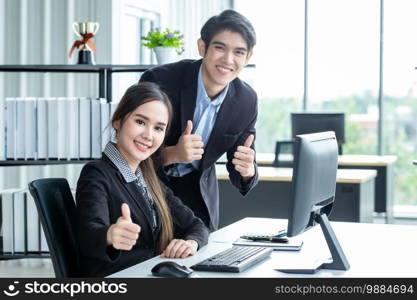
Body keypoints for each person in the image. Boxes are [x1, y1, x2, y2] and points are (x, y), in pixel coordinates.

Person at [139, 10, 258, 230]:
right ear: (202, 47)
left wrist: (248, 170)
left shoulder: (246, 100)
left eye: (239, 52)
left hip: (199, 200)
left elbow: (241, 166)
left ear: (248, 57)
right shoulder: (160, 82)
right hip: (150, 192)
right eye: (220, 47)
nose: (228, 60)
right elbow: (127, 153)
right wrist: (173, 154)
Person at [75, 82, 209, 277]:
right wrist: (110, 234)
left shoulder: (147, 177)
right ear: (118, 121)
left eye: (158, 128)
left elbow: (196, 225)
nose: (148, 135)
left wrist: (190, 243)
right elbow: (88, 231)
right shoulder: (96, 172)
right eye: (140, 122)